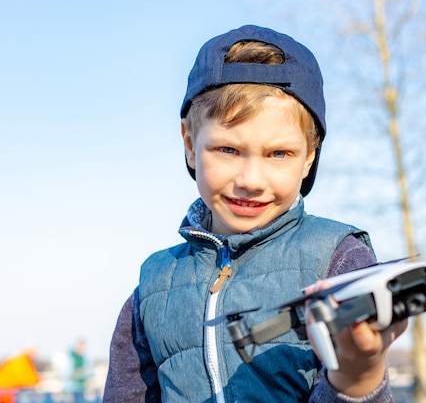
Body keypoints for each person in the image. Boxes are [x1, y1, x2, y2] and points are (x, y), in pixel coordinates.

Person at [103, 25, 407, 403]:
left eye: (279, 154)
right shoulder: (153, 286)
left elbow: (362, 380)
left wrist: (358, 378)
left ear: (309, 157)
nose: (251, 180)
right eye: (228, 150)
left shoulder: (337, 257)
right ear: (190, 145)